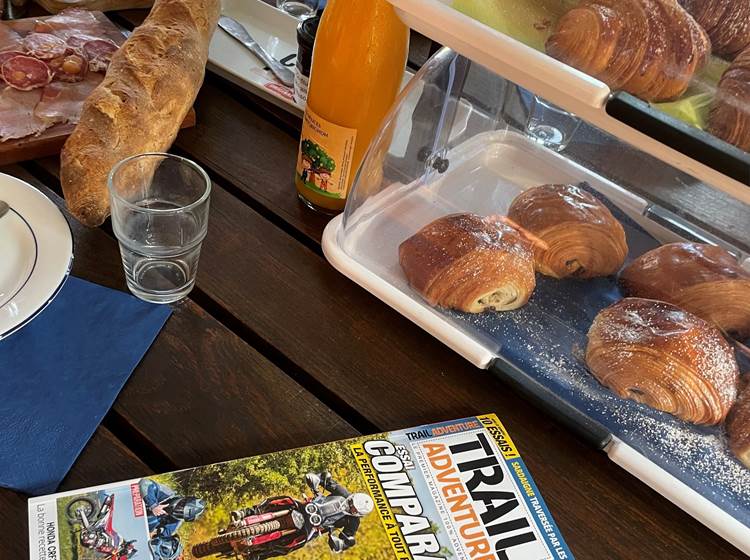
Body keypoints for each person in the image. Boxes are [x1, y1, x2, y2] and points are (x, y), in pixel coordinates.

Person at [231, 471, 373, 555]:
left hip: (314, 526)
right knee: (283, 500)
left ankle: (258, 555)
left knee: (291, 546)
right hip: (308, 507)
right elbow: (326, 479)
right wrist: (316, 479)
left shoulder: (353, 522)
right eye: (351, 502)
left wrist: (341, 544)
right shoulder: (343, 493)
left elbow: (348, 539)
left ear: (358, 514)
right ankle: (245, 512)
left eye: (354, 509)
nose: (350, 506)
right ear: (352, 497)